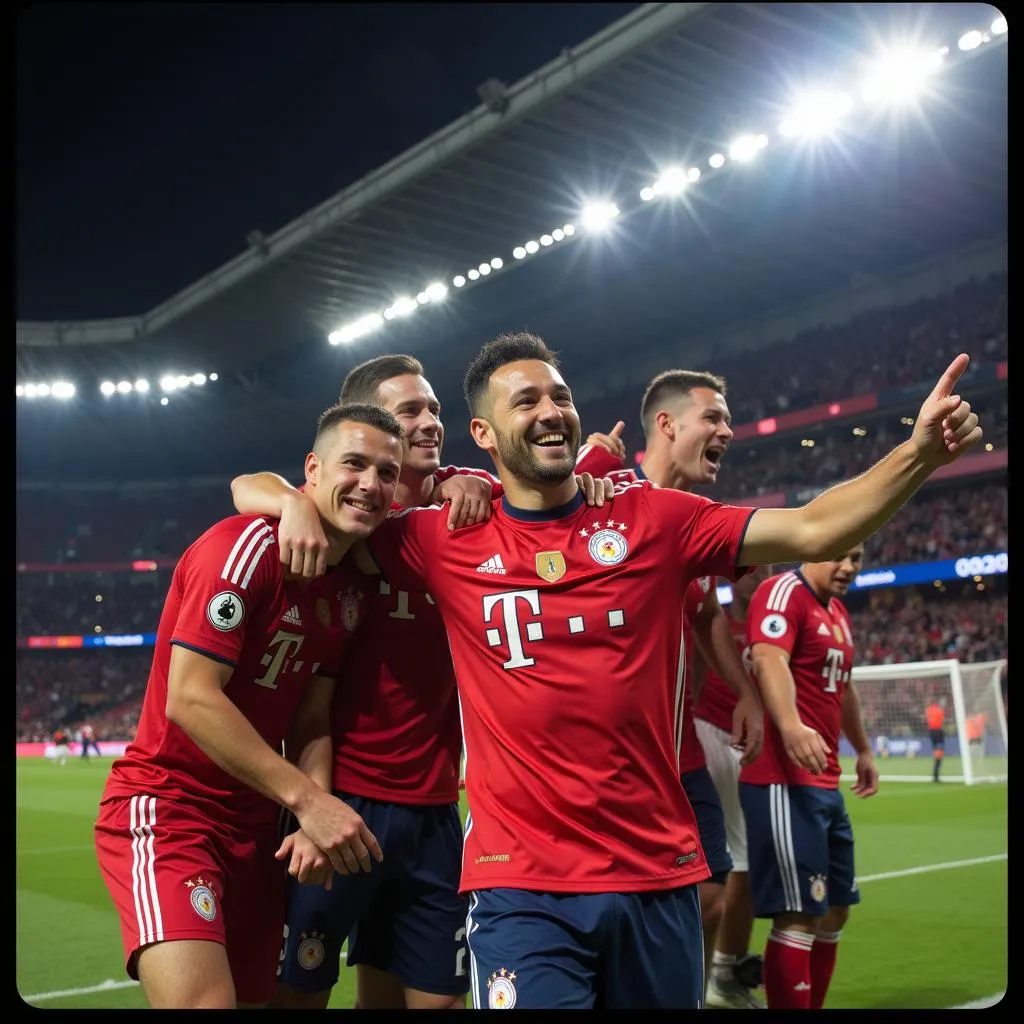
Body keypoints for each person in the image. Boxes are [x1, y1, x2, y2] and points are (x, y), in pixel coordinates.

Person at [251, 332, 979, 1008]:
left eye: (560, 397)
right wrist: (287, 500)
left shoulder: (656, 519)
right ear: (483, 435)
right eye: (526, 401)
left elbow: (815, 526)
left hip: (656, 878)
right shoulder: (438, 538)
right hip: (520, 887)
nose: (550, 412)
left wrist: (916, 455)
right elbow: (319, 505)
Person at [229, 353, 615, 1011]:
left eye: (434, 408)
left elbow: (555, 486)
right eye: (409, 411)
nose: (430, 421)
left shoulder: (470, 507)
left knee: (431, 1001)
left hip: (437, 810)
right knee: (297, 994)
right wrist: (293, 502)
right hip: (345, 801)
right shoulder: (344, 532)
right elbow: (245, 485)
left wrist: (597, 478)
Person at [93, 402, 404, 1009]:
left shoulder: (350, 591)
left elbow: (313, 719)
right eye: (355, 464)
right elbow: (190, 698)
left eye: (386, 473)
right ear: (312, 470)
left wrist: (314, 816)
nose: (371, 484)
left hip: (259, 831)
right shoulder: (246, 547)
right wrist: (309, 800)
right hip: (170, 810)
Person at [573, 370, 765, 1000]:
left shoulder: (696, 522)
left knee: (711, 897)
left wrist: (744, 692)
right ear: (666, 424)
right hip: (603, 763)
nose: (727, 431)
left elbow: (708, 614)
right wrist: (582, 464)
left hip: (679, 752)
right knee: (605, 918)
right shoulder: (602, 493)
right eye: (713, 418)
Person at [738, 545, 877, 1010]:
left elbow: (846, 685)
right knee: (799, 914)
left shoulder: (837, 611)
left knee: (836, 909)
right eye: (840, 555)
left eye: (857, 558)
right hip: (781, 780)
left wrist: (863, 748)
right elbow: (769, 658)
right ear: (814, 549)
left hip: (825, 782)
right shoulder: (783, 592)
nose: (849, 567)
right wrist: (792, 725)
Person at [694, 563, 773, 1009]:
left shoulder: (775, 622)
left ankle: (723, 967)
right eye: (751, 567)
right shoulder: (717, 618)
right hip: (712, 738)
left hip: (750, 747)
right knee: (735, 864)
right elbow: (697, 670)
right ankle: (722, 971)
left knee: (745, 864)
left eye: (769, 568)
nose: (760, 574)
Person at [925, 697, 946, 782]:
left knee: (937, 752)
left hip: (931, 732)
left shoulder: (928, 710)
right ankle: (936, 775)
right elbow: (942, 720)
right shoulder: (939, 710)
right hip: (938, 731)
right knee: (939, 753)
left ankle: (935, 774)